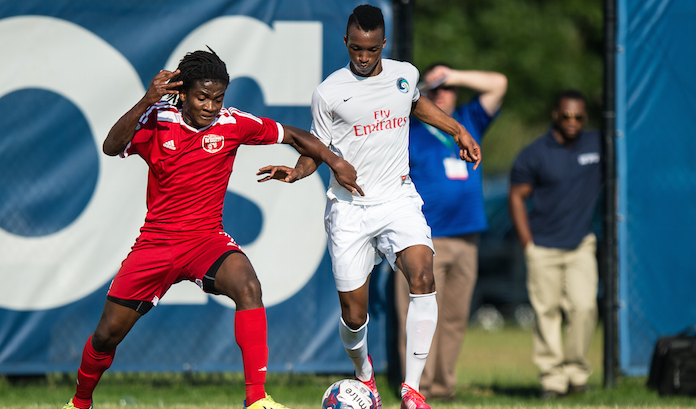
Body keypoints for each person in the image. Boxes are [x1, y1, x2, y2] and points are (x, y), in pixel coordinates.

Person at [62, 48, 360, 409]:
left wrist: (334, 162)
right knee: (107, 334)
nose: (210, 107)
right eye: (202, 97)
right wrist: (146, 99)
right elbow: (111, 147)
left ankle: (256, 399)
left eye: (217, 99)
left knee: (248, 286)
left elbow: (295, 135)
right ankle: (79, 403)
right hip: (156, 245)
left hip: (206, 241)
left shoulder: (232, 124)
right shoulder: (157, 118)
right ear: (183, 93)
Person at [257, 5, 481, 409]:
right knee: (354, 315)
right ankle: (365, 375)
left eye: (371, 50)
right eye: (356, 49)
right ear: (346, 43)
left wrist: (459, 129)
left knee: (423, 274)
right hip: (349, 210)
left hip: (398, 198)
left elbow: (415, 105)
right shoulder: (328, 92)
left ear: (383, 45)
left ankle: (412, 391)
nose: (363, 57)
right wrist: (296, 172)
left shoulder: (404, 75)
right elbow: (315, 148)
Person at [394, 63, 507, 401]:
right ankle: (418, 387)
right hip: (424, 239)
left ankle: (443, 387)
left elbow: (498, 82)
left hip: (467, 238)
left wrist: (452, 75)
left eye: (449, 89)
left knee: (455, 317)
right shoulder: (409, 128)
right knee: (417, 314)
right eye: (436, 88)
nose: (443, 94)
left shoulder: (468, 121)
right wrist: (426, 84)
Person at [508, 89, 601, 399]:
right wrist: (528, 246)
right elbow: (517, 197)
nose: (572, 121)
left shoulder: (598, 144)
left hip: (580, 244)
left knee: (584, 308)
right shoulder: (534, 153)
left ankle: (576, 372)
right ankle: (552, 379)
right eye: (566, 116)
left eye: (578, 116)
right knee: (546, 313)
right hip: (543, 246)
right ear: (555, 116)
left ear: (585, 118)